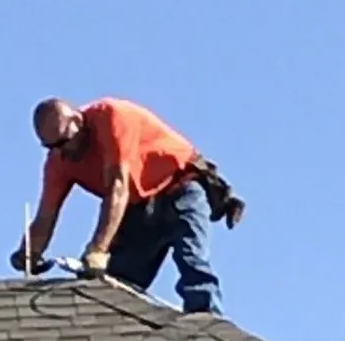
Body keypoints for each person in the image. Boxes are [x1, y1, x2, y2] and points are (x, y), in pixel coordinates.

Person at [12, 96, 225, 314]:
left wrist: (98, 250)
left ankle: (207, 325)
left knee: (192, 262)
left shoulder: (111, 118)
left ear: (78, 120)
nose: (61, 151)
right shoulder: (58, 160)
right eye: (51, 146)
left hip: (179, 186)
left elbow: (117, 187)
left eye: (64, 141)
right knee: (114, 286)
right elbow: (45, 216)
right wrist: (29, 252)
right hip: (138, 206)